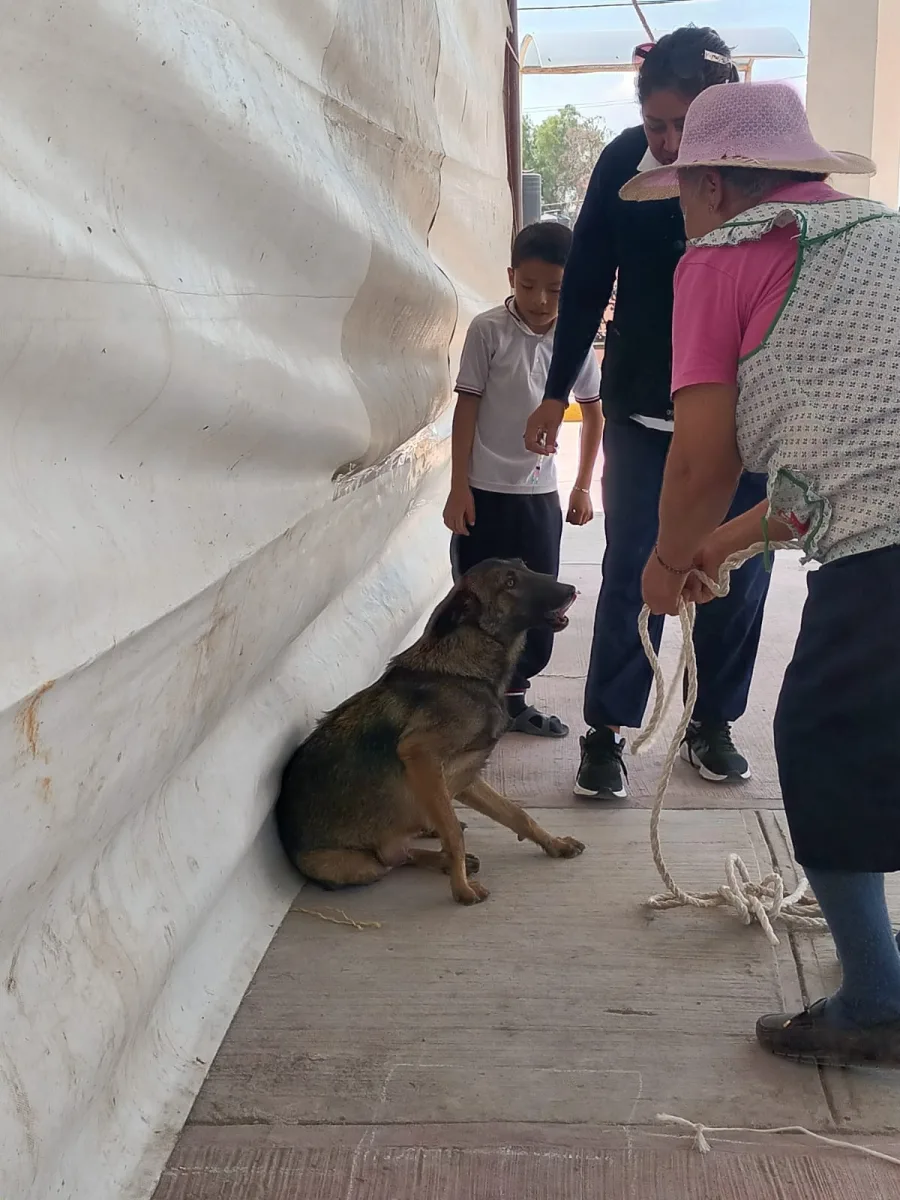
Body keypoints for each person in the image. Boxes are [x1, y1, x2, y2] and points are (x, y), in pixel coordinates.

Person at [626, 79, 900, 1067]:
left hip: (886, 554)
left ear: (709, 185)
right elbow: (819, 477)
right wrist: (721, 548)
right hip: (880, 528)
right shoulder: (880, 236)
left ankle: (877, 1002)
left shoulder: (722, 258)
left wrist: (663, 565)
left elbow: (699, 459)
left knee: (824, 746)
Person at [524, 27, 771, 800]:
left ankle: (712, 724)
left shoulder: (759, 173)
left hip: (745, 414)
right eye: (654, 123)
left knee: (737, 570)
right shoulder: (621, 163)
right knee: (637, 567)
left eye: (681, 126)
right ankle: (607, 729)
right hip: (643, 412)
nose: (665, 142)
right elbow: (589, 277)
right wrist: (557, 389)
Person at [443, 221, 603, 737]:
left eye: (555, 289)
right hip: (485, 494)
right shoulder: (487, 331)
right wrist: (458, 486)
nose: (539, 299)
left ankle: (512, 700)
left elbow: (594, 414)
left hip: (539, 499)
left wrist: (582, 486)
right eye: (527, 285)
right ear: (511, 276)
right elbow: (466, 408)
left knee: (539, 603)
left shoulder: (574, 341)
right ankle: (469, 699)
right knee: (475, 599)